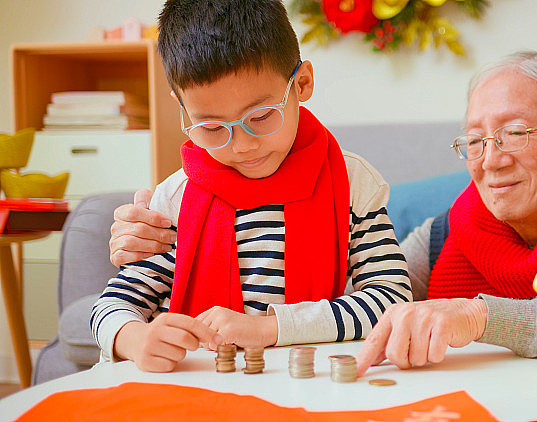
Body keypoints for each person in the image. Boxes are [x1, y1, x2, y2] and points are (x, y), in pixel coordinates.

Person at [109, 51, 537, 375]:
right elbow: (359, 297)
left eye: (515, 133)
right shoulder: (446, 233)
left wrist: (480, 315)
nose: (490, 160)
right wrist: (167, 243)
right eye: (474, 140)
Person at [92, 0, 411, 373]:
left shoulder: (353, 182)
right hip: (199, 384)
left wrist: (270, 329)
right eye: (211, 127)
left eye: (260, 117)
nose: (242, 146)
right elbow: (113, 304)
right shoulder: (175, 200)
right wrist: (133, 338)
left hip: (304, 384)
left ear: (302, 83)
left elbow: (392, 300)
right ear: (182, 108)